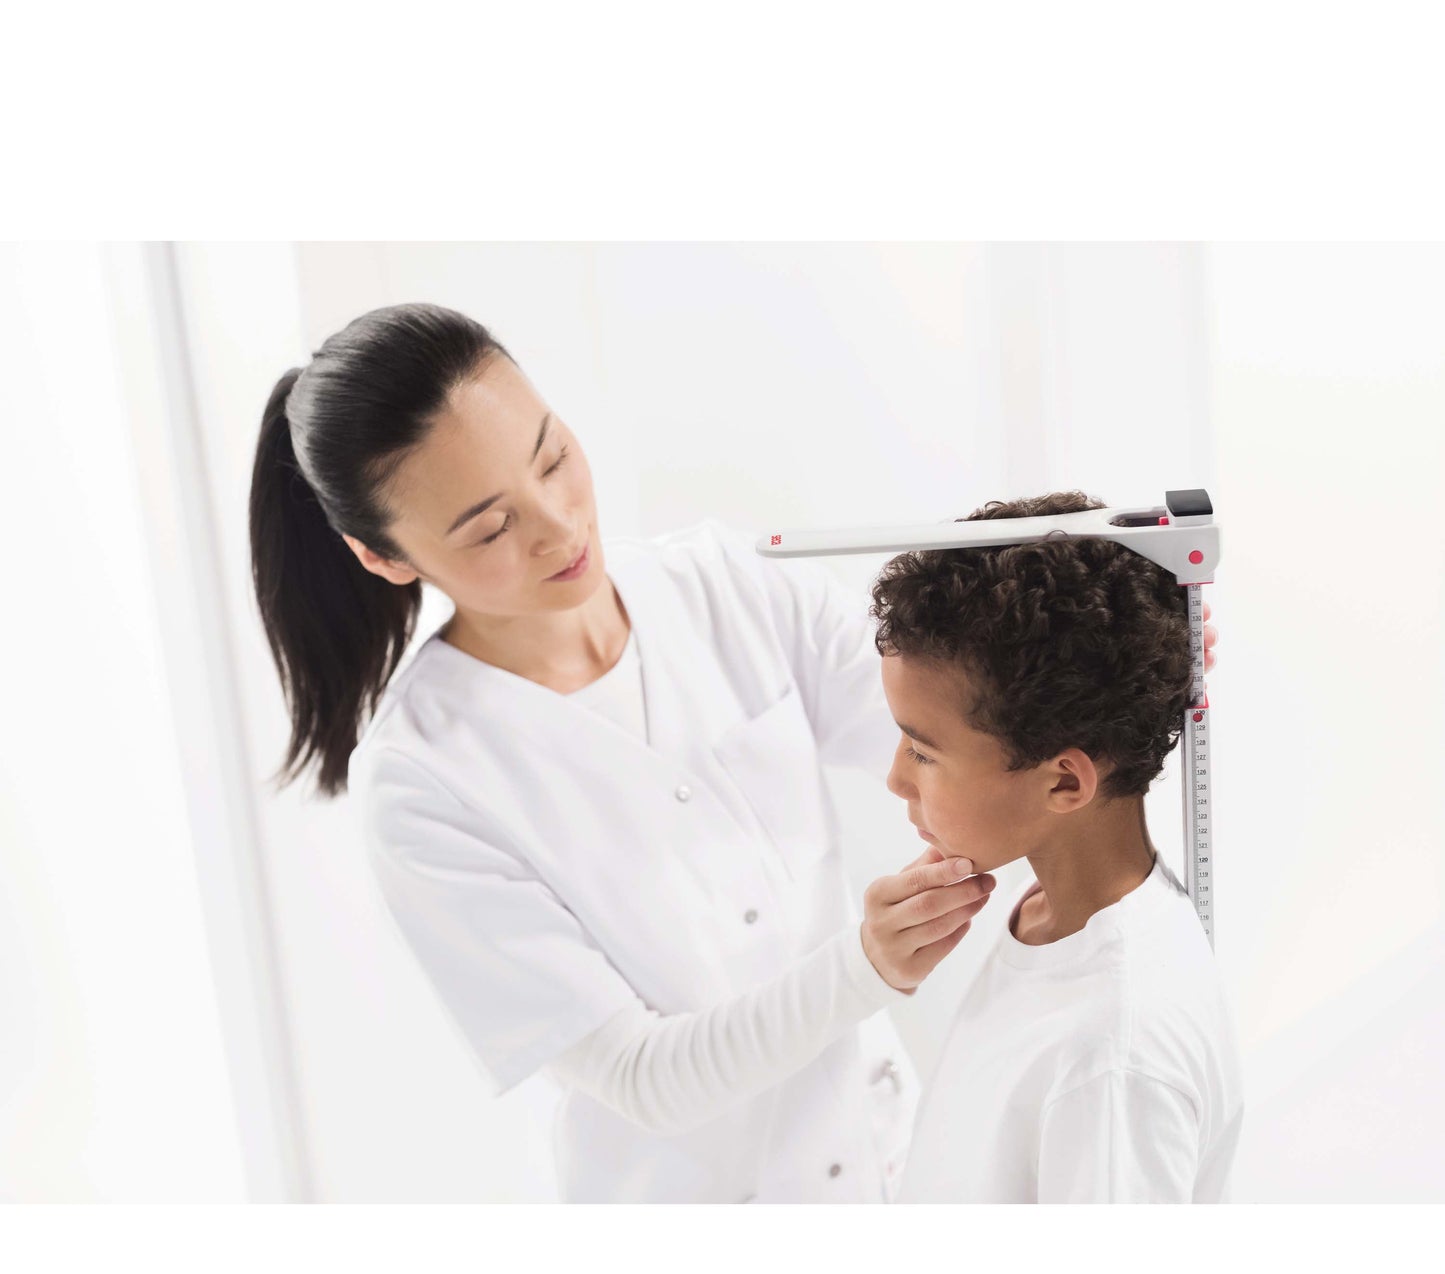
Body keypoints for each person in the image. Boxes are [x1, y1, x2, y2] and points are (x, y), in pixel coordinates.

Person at [248, 303, 1004, 1203]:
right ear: (384, 557)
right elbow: (645, 1076)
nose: (558, 526)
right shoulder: (425, 784)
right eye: (489, 528)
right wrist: (867, 962)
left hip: (892, 1168)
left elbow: (961, 729)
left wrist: (1089, 644)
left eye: (552, 457)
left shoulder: (724, 584)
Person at [869, 492, 1242, 1203]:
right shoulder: (1049, 912)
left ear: (1065, 783)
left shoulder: (1115, 1055)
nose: (894, 778)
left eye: (921, 751)